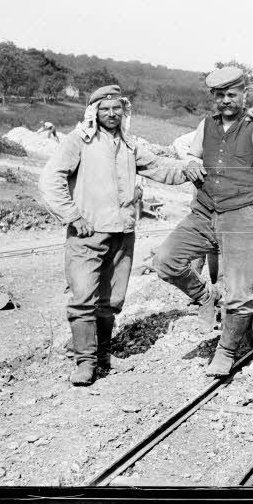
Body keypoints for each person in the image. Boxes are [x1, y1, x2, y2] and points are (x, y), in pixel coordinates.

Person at [153, 66, 253, 378]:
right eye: (220, 95)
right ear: (213, 97)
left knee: (239, 292)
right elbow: (190, 151)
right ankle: (206, 296)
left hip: (242, 215)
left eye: (232, 94)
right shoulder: (206, 124)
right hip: (204, 211)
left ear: (243, 95)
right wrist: (192, 163)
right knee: (165, 261)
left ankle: (226, 352)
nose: (226, 100)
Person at [41, 85, 199, 386]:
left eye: (116, 108)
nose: (111, 114)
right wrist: (73, 216)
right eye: (104, 109)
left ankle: (102, 355)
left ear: (123, 111)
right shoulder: (79, 141)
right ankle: (85, 362)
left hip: (123, 233)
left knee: (111, 299)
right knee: (83, 298)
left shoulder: (129, 145)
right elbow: (51, 180)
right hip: (87, 232)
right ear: (94, 112)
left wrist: (189, 168)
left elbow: (160, 167)